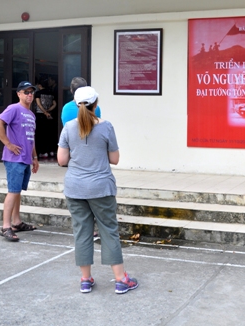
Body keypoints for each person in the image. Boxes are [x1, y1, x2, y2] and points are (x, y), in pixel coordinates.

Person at [57, 86, 138, 294]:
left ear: (76, 104)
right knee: (109, 231)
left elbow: (61, 160)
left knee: (81, 232)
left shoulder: (68, 127)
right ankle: (121, 279)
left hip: (75, 187)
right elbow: (115, 159)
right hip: (101, 187)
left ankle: (85, 279)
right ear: (96, 104)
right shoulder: (106, 126)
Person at [0, 81, 39, 242]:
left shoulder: (31, 114)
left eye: (32, 92)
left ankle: (17, 222)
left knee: (17, 190)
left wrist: (35, 157)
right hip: (14, 158)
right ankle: (6, 226)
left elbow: (31, 138)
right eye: (26, 92)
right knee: (13, 190)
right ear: (19, 94)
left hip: (25, 158)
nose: (29, 94)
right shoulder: (14, 108)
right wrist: (8, 144)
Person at [34, 79, 57, 158]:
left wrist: (44, 112)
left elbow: (39, 104)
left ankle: (42, 151)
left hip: (40, 116)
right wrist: (48, 111)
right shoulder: (51, 93)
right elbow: (55, 104)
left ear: (39, 85)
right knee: (49, 134)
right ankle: (50, 151)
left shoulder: (37, 93)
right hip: (49, 115)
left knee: (40, 134)